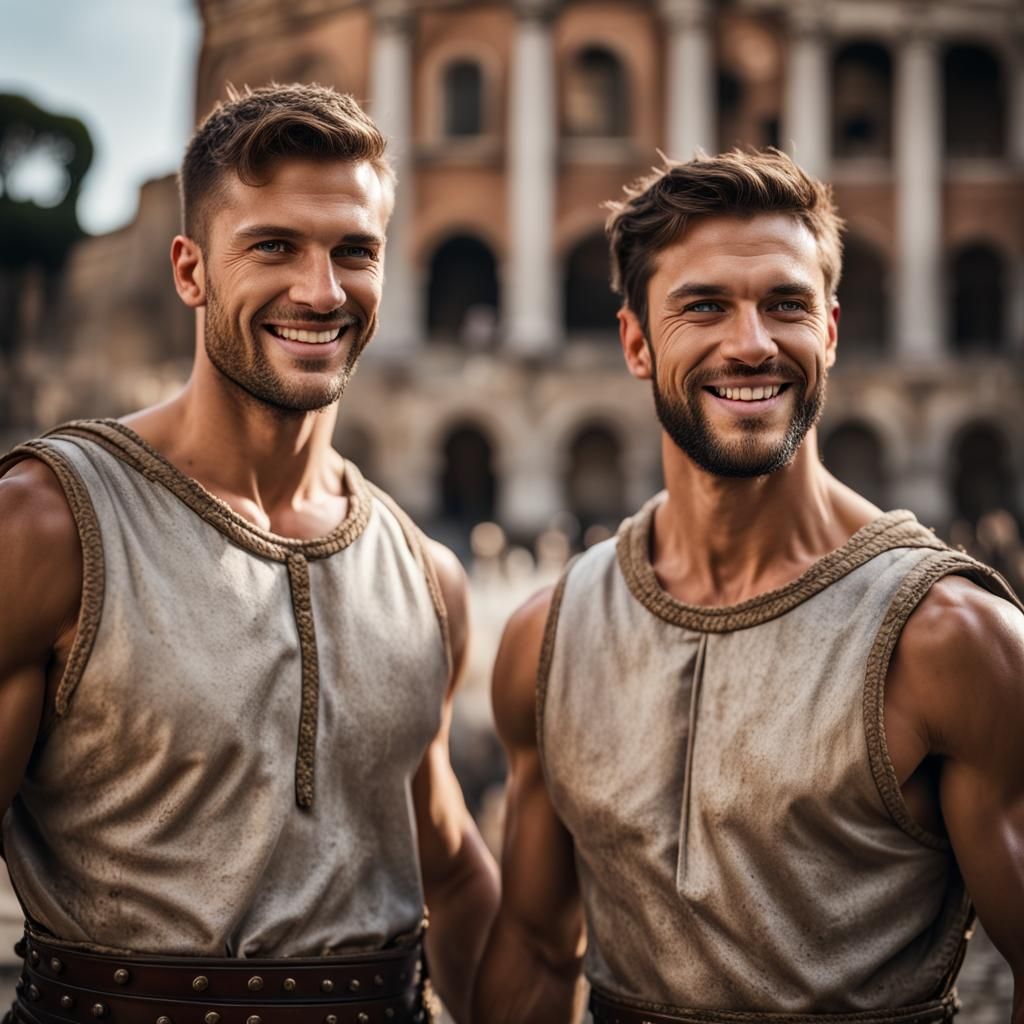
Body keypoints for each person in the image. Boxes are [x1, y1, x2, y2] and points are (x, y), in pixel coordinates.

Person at [472, 149, 1024, 1023]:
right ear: (636, 343)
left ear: (831, 331)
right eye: (704, 307)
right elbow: (538, 950)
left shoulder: (953, 637)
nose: (753, 343)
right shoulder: (550, 634)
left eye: (786, 305)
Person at [0, 83, 497, 1024]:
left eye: (356, 251)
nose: (322, 291)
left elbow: (455, 870)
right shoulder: (46, 525)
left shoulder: (427, 575)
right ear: (191, 271)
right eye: (274, 246)